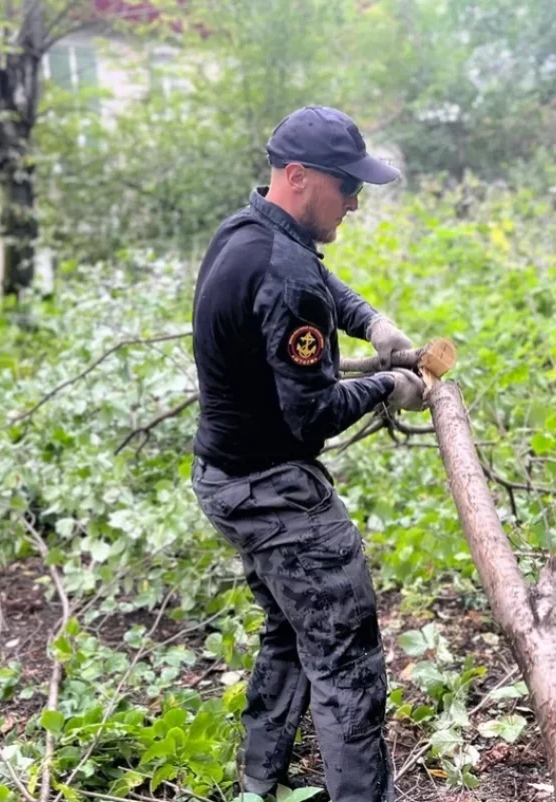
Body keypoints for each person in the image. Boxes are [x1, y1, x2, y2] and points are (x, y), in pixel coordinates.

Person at [189, 105, 425, 802]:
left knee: (291, 632)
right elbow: (313, 416)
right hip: (272, 493)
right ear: (298, 176)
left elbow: (315, 281)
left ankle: (261, 779)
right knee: (347, 658)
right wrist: (390, 385)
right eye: (346, 185)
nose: (356, 200)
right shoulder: (285, 270)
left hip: (222, 477)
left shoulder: (248, 229)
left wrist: (373, 324)